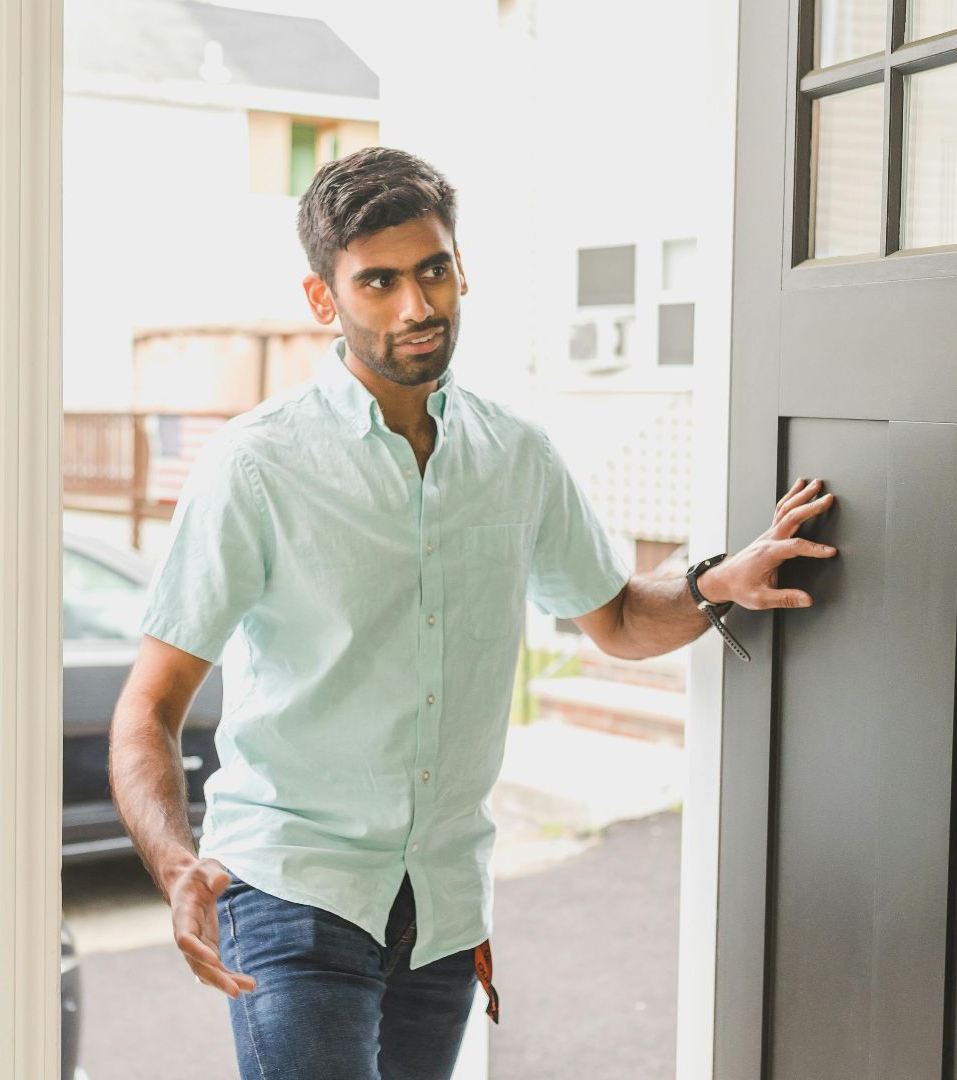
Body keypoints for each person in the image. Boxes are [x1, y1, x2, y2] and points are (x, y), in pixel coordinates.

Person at [108, 147, 837, 1080]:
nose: (417, 306)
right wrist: (176, 865)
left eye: (433, 271)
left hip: (441, 904)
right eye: (378, 281)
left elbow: (612, 616)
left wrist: (714, 584)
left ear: (460, 271)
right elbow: (151, 707)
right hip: (293, 887)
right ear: (323, 300)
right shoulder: (254, 466)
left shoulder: (515, 453)